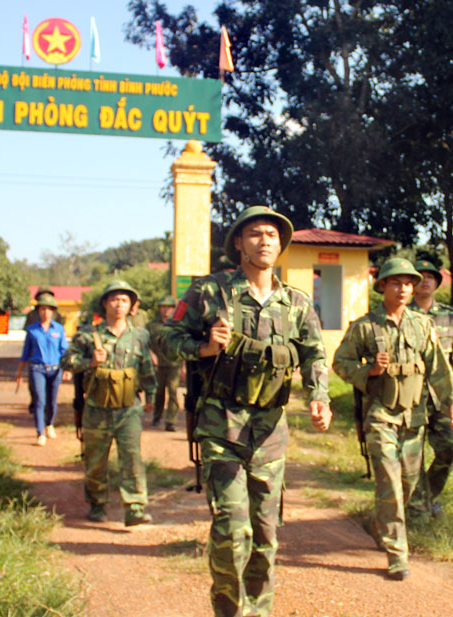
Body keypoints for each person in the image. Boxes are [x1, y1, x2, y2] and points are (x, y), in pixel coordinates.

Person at [160, 205, 332, 617]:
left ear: (280, 244)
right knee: (232, 530)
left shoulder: (295, 302)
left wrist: (319, 396)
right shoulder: (210, 292)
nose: (264, 241)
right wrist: (203, 348)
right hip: (222, 426)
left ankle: (258, 610)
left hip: (270, 432)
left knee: (266, 536)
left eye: (272, 235)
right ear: (239, 243)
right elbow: (164, 337)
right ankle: (229, 610)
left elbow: (314, 354)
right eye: (255, 233)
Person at [332, 257, 453, 581]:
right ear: (383, 286)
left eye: (408, 283)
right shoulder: (365, 326)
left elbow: (438, 366)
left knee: (408, 483)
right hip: (380, 415)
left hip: (414, 416)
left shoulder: (422, 325)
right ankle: (397, 555)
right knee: (389, 483)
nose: (403, 289)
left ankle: (380, 524)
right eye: (396, 282)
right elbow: (340, 363)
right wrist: (369, 371)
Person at [64, 280, 156, 526]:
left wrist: (151, 395)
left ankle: (135, 507)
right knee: (95, 461)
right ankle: (97, 504)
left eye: (124, 300)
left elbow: (146, 367)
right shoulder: (88, 335)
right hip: (97, 409)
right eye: (114, 299)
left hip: (129, 409)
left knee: (132, 459)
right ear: (105, 303)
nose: (119, 305)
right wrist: (90, 363)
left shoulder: (139, 336)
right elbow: (66, 361)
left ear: (131, 305)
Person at [407, 259, 453, 519]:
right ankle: (416, 506)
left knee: (450, 449)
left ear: (437, 282)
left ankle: (428, 496)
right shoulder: (402, 313)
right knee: (412, 455)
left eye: (431, 277)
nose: (425, 281)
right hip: (411, 396)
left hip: (443, 397)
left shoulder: (449, 315)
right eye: (420, 276)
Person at [15, 292, 69, 446]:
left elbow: (64, 351)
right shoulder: (32, 330)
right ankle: (40, 433)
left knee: (52, 401)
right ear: (38, 311)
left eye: (49, 309)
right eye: (42, 309)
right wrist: (19, 371)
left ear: (53, 311)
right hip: (37, 368)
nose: (45, 312)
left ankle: (49, 424)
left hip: (55, 369)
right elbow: (26, 352)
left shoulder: (58, 329)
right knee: (39, 400)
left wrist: (67, 368)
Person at [148, 295, 182, 431]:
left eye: (169, 307)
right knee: (159, 392)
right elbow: (146, 343)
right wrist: (151, 355)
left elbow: (183, 344)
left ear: (173, 309)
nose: (166, 310)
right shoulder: (152, 325)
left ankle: (171, 422)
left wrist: (184, 366)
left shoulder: (178, 324)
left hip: (174, 363)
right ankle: (157, 417)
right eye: (163, 307)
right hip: (158, 364)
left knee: (173, 392)